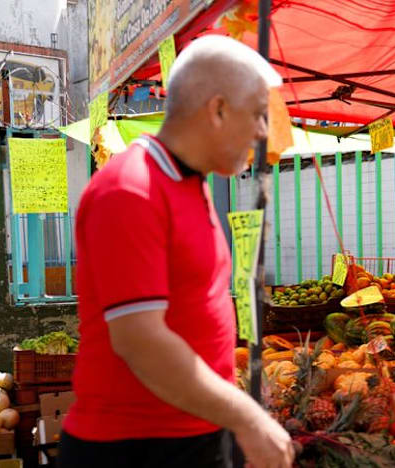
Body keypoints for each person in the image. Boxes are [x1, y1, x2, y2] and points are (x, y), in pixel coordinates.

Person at [59, 35, 294, 468]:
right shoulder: (130, 188)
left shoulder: (192, 183)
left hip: (194, 433)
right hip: (134, 449)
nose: (263, 132)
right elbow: (141, 341)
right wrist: (248, 417)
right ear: (218, 109)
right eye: (259, 115)